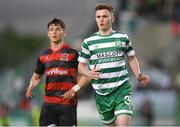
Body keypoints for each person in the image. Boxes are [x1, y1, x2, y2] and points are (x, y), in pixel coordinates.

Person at [64, 3, 150, 126]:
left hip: (121, 89)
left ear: (112, 18)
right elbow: (81, 67)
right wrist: (87, 74)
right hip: (102, 94)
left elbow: (131, 58)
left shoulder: (122, 38)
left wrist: (138, 75)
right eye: (98, 17)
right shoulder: (89, 42)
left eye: (104, 16)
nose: (101, 19)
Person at [26, 18, 90, 126]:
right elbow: (36, 76)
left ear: (64, 33)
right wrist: (31, 86)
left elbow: (87, 75)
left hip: (67, 105)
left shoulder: (73, 54)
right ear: (48, 34)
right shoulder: (43, 56)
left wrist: (75, 89)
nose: (54, 32)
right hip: (48, 105)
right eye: (51, 29)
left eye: (57, 29)